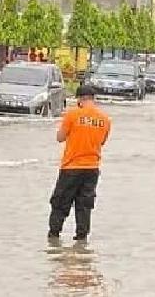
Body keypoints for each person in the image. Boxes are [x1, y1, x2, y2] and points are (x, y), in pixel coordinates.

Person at [48, 85, 111, 241]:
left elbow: (60, 137)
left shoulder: (73, 114)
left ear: (79, 99)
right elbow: (102, 142)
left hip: (71, 166)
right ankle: (81, 238)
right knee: (85, 205)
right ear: (93, 99)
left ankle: (54, 235)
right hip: (92, 168)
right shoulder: (104, 119)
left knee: (60, 202)